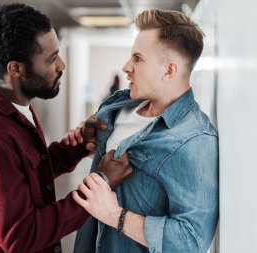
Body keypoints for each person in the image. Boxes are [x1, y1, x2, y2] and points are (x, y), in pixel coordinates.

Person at [0, 3, 133, 253]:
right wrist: (100, 184)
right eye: (51, 59)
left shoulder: (12, 104)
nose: (62, 65)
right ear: (16, 69)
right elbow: (22, 236)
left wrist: (73, 149)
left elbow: (23, 173)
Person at [72, 8, 219, 253]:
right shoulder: (118, 105)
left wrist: (113, 214)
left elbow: (191, 241)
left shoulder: (194, 141)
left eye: (138, 58)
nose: (126, 66)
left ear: (169, 70)